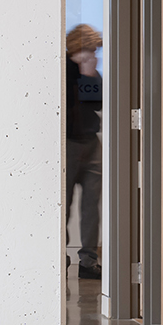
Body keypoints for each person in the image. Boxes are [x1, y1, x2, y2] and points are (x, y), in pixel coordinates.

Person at [65, 24, 104, 280]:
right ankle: (59, 255)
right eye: (88, 51)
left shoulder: (92, 74)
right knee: (63, 204)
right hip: (66, 143)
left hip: (90, 142)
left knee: (92, 205)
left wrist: (89, 78)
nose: (93, 57)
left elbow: (98, 104)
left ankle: (88, 261)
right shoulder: (62, 71)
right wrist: (80, 76)